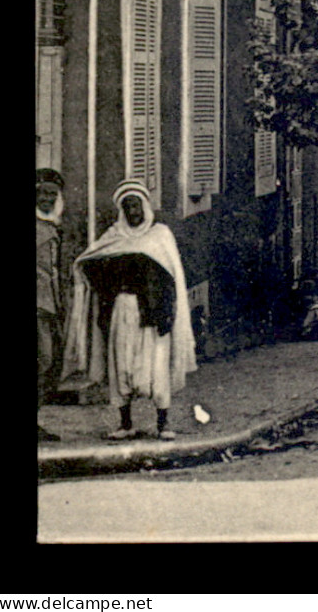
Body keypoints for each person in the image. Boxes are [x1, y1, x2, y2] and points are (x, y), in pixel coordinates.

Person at [63, 180, 195, 442]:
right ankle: (125, 424)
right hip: (121, 309)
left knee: (156, 366)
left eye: (136, 205)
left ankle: (163, 423)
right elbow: (91, 264)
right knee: (121, 364)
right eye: (127, 206)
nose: (133, 211)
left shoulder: (160, 235)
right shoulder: (114, 237)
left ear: (145, 206)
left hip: (152, 311)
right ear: (122, 210)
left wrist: (167, 313)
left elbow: (171, 278)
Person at [36, 168, 66, 442]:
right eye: (41, 193)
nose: (46, 199)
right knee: (42, 360)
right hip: (38, 306)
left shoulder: (53, 225)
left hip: (50, 306)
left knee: (50, 362)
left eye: (51, 195)